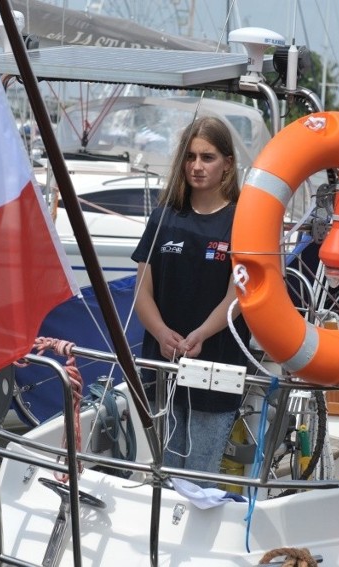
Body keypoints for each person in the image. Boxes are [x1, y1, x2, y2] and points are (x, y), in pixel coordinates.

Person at [131, 116, 250, 485]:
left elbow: (240, 295)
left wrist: (199, 334)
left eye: (208, 157)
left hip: (217, 364)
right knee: (163, 471)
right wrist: (163, 333)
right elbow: (141, 292)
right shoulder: (164, 217)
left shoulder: (243, 221)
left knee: (198, 476)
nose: (197, 166)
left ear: (228, 163)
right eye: (191, 156)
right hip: (163, 362)